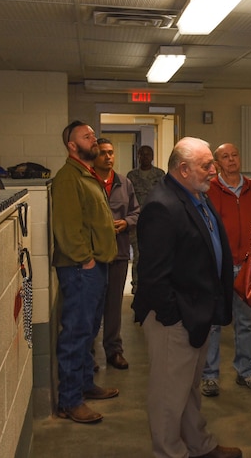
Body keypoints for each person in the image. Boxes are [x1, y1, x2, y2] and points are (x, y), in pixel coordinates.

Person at [132, 137, 243, 458]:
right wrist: (175, 315)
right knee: (169, 395)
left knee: (188, 389)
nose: (214, 170)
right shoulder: (161, 205)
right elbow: (152, 277)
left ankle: (198, 445)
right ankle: (170, 452)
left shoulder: (195, 195)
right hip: (175, 319)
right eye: (206, 165)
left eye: (213, 163)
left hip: (196, 312)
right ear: (183, 169)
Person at [51, 121, 119, 424]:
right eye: (85, 136)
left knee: (89, 331)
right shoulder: (68, 177)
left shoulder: (87, 174)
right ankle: (69, 401)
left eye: (93, 135)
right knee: (76, 334)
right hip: (81, 269)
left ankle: (85, 385)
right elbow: (67, 226)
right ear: (72, 146)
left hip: (95, 266)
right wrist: (85, 260)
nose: (92, 139)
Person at [202, 143, 251, 397]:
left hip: (247, 266)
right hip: (219, 265)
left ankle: (246, 370)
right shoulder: (210, 190)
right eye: (225, 157)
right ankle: (209, 375)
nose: (231, 160)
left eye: (234, 155)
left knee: (245, 321)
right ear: (217, 163)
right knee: (214, 322)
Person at [92, 138, 140, 371]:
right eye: (103, 153)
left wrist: (126, 222)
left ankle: (114, 350)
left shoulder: (124, 182)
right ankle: (88, 354)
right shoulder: (87, 181)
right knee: (92, 304)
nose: (108, 157)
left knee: (113, 305)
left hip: (119, 253)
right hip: (93, 254)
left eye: (111, 152)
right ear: (94, 156)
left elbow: (136, 211)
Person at [127, 145, 165, 293]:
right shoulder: (131, 176)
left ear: (153, 156)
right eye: (142, 154)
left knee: (156, 254)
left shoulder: (159, 174)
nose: (145, 157)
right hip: (137, 222)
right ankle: (137, 285)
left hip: (155, 222)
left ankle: (155, 284)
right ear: (138, 156)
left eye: (148, 154)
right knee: (138, 255)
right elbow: (128, 199)